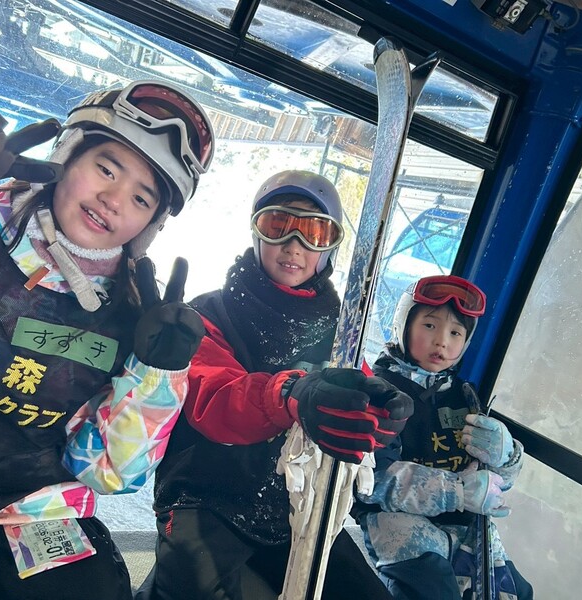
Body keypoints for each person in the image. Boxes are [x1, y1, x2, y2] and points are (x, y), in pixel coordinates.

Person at [0, 80, 214, 599]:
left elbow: (107, 472)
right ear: (66, 156)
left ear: (150, 224)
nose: (113, 200)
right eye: (107, 169)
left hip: (30, 512)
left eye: (141, 198)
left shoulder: (131, 314)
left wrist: (157, 376)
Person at [140, 170, 414, 600]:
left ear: (329, 248)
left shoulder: (340, 331)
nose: (293, 244)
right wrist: (290, 396)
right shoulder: (210, 312)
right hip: (208, 493)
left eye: (314, 232)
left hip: (296, 504)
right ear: (256, 233)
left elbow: (353, 391)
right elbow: (214, 399)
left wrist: (379, 414)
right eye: (277, 225)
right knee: (187, 588)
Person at [354, 275, 534, 599]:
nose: (441, 342)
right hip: (401, 523)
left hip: (464, 524)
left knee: (516, 592)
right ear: (403, 325)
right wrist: (458, 492)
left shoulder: (464, 394)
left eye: (455, 333)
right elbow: (373, 481)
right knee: (433, 590)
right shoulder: (380, 391)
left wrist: (506, 457)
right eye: (429, 326)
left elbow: (492, 483)